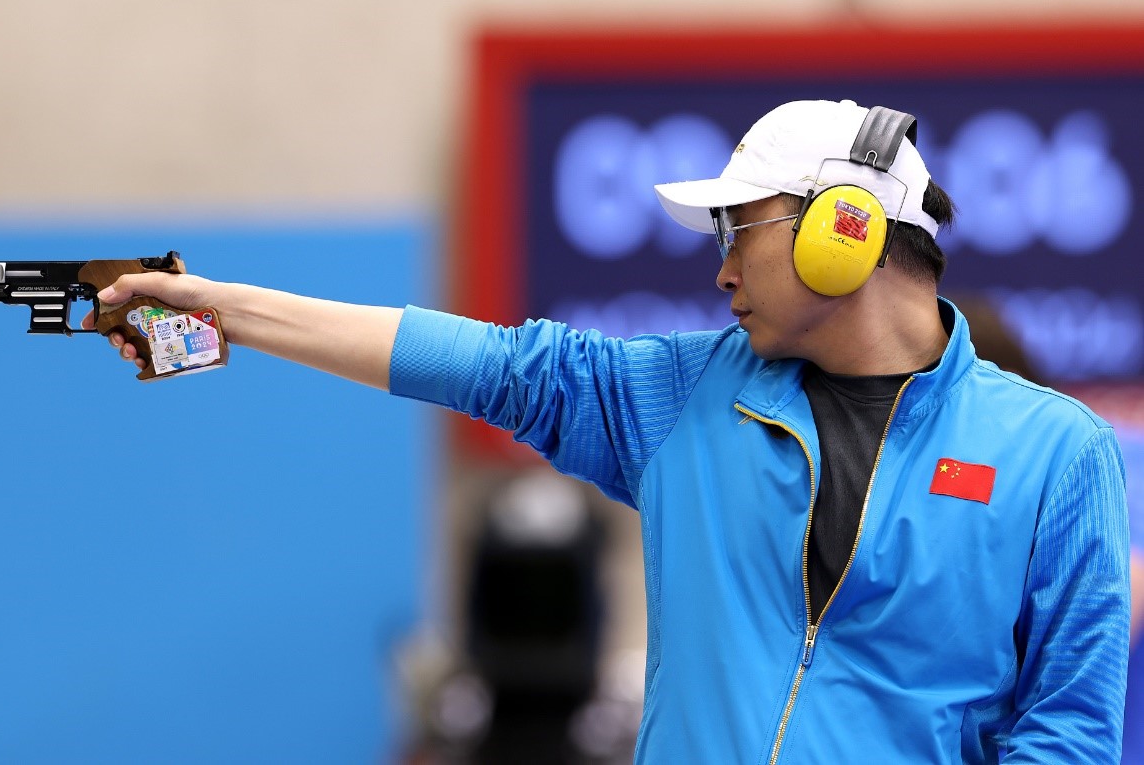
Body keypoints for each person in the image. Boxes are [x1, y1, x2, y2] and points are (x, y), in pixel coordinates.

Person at [84, 99, 1131, 762]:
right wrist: (223, 308)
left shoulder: (1057, 455)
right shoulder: (683, 395)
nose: (720, 266)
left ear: (842, 228)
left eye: (740, 228)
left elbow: (1068, 737)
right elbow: (482, 361)